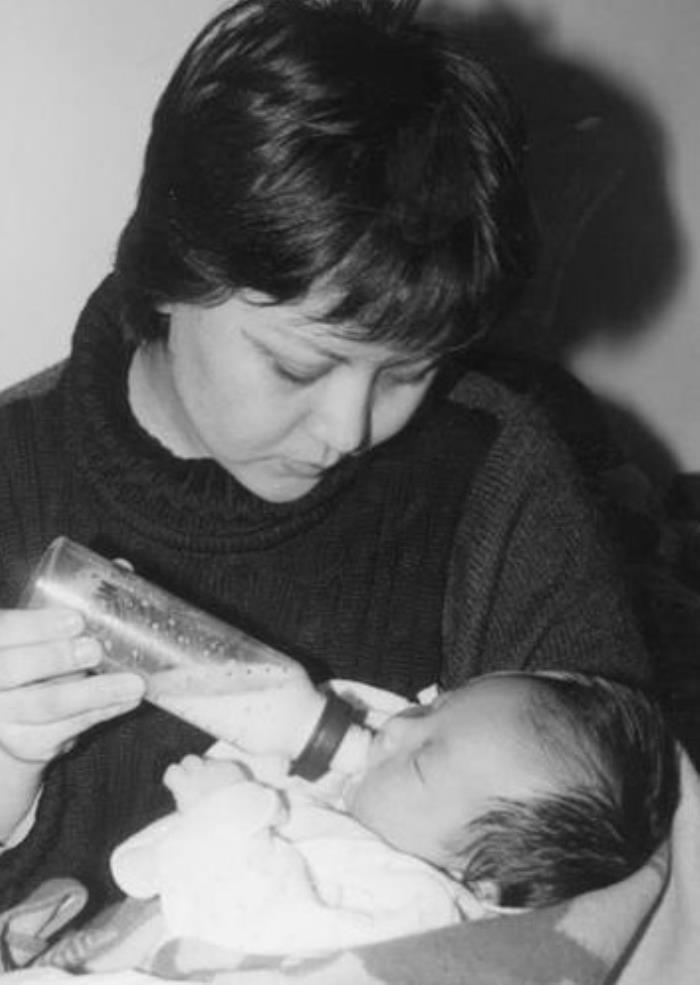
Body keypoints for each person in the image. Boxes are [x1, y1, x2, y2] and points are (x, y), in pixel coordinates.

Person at [0, 0, 651, 922]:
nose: (349, 430)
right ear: (174, 271)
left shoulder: (492, 471)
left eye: (411, 371)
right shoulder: (11, 476)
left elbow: (620, 891)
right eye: (298, 365)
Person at [32, 671, 678, 971]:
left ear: (481, 878)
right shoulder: (375, 818)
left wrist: (223, 817)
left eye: (422, 759)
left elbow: (264, 928)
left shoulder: (416, 907)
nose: (395, 727)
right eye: (434, 707)